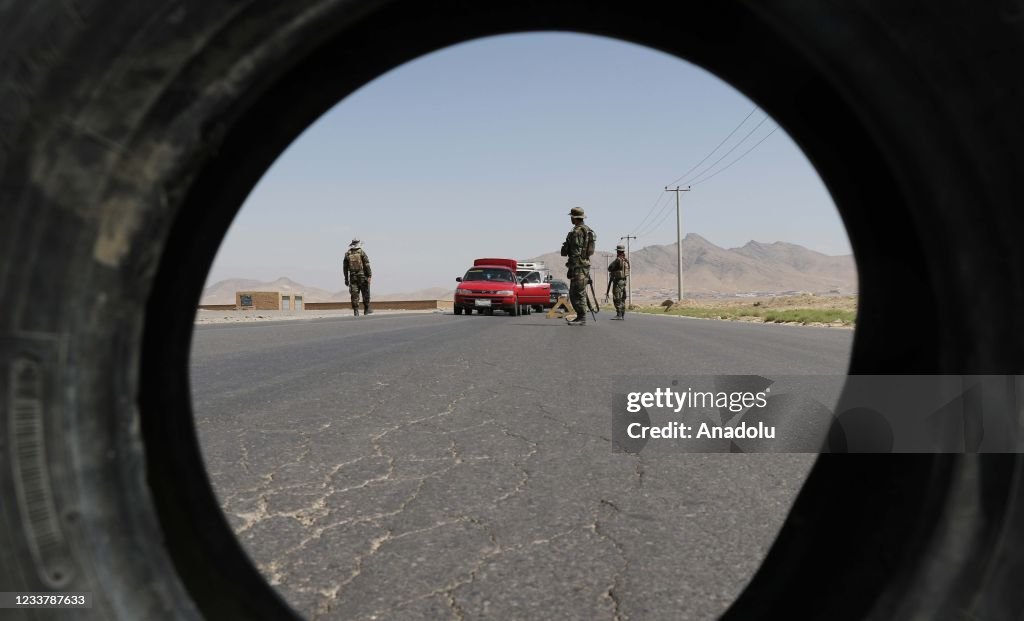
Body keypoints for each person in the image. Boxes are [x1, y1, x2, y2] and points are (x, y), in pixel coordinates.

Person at [560, 206, 596, 325]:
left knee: (576, 292)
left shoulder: (577, 232)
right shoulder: (588, 230)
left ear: (574, 218)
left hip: (578, 266)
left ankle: (582, 318)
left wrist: (572, 266)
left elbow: (574, 252)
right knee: (577, 292)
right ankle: (580, 316)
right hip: (583, 265)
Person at [343, 239, 372, 316]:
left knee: (354, 294)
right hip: (362, 276)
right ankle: (366, 309)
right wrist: (369, 275)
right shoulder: (361, 252)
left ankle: (356, 311)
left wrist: (346, 279)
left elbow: (345, 268)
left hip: (352, 277)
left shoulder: (347, 254)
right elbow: (367, 264)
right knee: (365, 292)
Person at [607, 244, 630, 320]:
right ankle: (622, 313)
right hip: (624, 281)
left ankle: (619, 314)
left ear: (617, 251)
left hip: (618, 281)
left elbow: (609, 268)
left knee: (617, 297)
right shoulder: (626, 261)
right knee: (622, 297)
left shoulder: (618, 260)